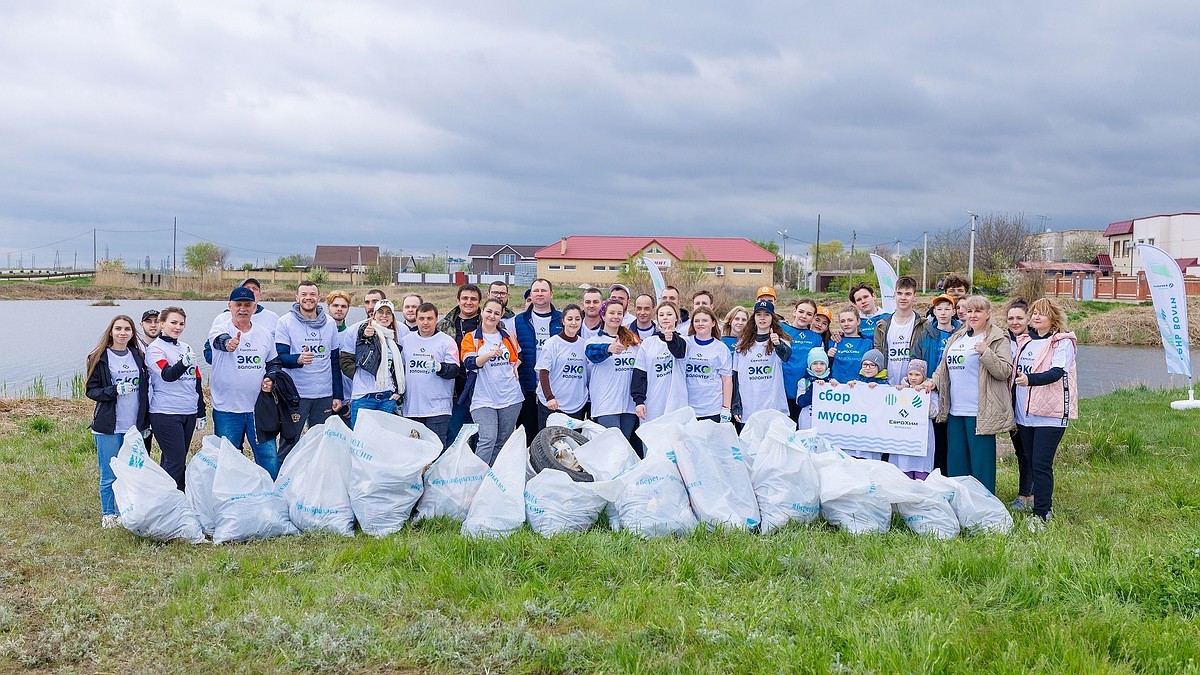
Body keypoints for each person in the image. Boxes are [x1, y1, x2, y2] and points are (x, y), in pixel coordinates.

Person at [927, 295, 1014, 495]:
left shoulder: (997, 338)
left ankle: (985, 506)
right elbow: (943, 368)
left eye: (978, 311)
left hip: (980, 411)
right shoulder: (957, 337)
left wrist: (986, 352)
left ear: (988, 314)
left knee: (981, 465)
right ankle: (962, 505)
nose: (973, 315)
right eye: (969, 311)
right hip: (955, 411)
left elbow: (1004, 371)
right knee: (957, 463)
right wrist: (932, 382)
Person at [1012, 298, 1077, 526]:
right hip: (1025, 413)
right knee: (1029, 460)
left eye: (1042, 314)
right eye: (1034, 313)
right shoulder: (1025, 342)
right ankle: (1034, 503)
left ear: (1053, 318)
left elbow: (1057, 372)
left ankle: (1042, 513)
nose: (1036, 317)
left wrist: (1030, 380)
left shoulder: (1062, 343)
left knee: (1041, 463)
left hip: (1050, 414)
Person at [209, 287, 282, 478]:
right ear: (229, 306)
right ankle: (229, 499)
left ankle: (273, 496)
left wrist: (270, 379)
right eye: (238, 304)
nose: (242, 309)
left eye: (247, 305)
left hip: (258, 408)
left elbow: (274, 363)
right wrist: (228, 344)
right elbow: (219, 341)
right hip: (227, 408)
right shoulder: (220, 327)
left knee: (268, 457)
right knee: (228, 459)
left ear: (254, 307)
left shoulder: (265, 334)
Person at [85, 315, 151, 527]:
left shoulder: (138, 355)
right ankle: (108, 514)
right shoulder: (99, 357)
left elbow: (146, 390)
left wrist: (146, 422)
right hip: (108, 427)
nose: (123, 333)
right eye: (118, 329)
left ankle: (127, 511)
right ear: (111, 332)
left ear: (133, 333)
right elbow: (91, 391)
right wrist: (113, 390)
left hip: (134, 426)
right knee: (109, 472)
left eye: (127, 329)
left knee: (133, 472)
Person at [274, 281, 343, 461]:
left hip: (324, 394)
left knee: (320, 442)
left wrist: (338, 395)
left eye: (312, 294)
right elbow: (279, 357)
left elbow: (334, 361)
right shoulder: (285, 322)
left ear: (318, 297)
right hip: (296, 394)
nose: (308, 298)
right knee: (290, 441)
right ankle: (282, 481)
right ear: (297, 298)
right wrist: (297, 359)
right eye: (304, 294)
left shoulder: (329, 323)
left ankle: (314, 482)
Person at [146, 306, 205, 491]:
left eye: (181, 324)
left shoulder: (186, 347)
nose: (177, 327)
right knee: (176, 460)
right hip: (166, 412)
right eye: (173, 323)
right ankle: (167, 501)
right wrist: (183, 362)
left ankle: (178, 499)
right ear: (162, 324)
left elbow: (196, 380)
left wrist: (201, 411)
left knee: (177, 459)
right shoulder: (155, 349)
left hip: (188, 410)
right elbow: (168, 375)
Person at [459, 298, 524, 465]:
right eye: (489, 311)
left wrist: (516, 364)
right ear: (482, 312)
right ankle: (477, 478)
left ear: (501, 315)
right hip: (483, 398)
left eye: (497, 313)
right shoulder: (471, 338)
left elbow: (518, 355)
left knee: (502, 441)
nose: (492, 316)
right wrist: (488, 355)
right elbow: (469, 363)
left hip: (510, 396)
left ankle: (493, 480)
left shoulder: (508, 336)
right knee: (487, 438)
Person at [911, 294, 960, 474]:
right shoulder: (925, 335)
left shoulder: (961, 334)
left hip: (954, 391)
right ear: (934, 311)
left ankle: (950, 474)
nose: (943, 312)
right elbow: (914, 360)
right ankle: (934, 473)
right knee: (935, 435)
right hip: (929, 391)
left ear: (954, 311)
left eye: (947, 308)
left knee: (952, 437)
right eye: (939, 309)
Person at [401, 302, 461, 446]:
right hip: (412, 408)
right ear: (416, 319)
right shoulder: (406, 341)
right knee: (414, 449)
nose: (425, 323)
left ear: (436, 319)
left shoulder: (446, 341)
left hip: (438, 409)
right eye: (421, 319)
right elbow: (399, 370)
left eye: (429, 318)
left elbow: (455, 370)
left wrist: (441, 368)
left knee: (436, 448)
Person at [585, 300, 642, 447]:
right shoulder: (594, 340)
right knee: (612, 447)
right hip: (606, 406)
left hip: (628, 405)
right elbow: (591, 353)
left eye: (619, 313)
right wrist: (608, 349)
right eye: (611, 313)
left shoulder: (632, 341)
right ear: (603, 315)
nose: (615, 316)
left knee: (624, 447)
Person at [513, 278, 563, 443]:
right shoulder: (518, 321)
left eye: (543, 290)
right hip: (527, 387)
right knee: (527, 436)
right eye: (536, 290)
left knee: (552, 438)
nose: (540, 294)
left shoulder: (562, 320)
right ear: (531, 295)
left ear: (551, 294)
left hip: (554, 389)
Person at [731, 300, 792, 422]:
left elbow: (786, 356)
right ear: (754, 318)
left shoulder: (781, 341)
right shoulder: (742, 344)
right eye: (759, 314)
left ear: (772, 318)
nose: (762, 318)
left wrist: (777, 344)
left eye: (767, 314)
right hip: (749, 408)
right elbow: (736, 375)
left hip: (773, 407)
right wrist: (736, 405)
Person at [349, 300, 406, 427]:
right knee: (361, 439)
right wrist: (367, 334)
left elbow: (397, 369)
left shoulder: (393, 342)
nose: (384, 316)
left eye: (388, 313)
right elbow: (363, 335)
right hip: (364, 398)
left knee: (382, 442)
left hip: (387, 398)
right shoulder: (366, 332)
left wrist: (397, 392)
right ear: (374, 315)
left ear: (392, 318)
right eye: (380, 312)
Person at [438, 283, 483, 443]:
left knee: (482, 437)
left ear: (479, 302)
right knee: (456, 436)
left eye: (473, 299)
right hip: (455, 390)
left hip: (483, 390)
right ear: (458, 300)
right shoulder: (444, 326)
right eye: (465, 298)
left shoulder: (492, 324)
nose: (468, 302)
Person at [535, 304, 589, 427]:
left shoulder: (584, 344)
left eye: (577, 319)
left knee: (573, 444)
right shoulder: (552, 343)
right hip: (553, 404)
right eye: (570, 319)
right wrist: (549, 397)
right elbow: (543, 373)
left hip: (575, 406)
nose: (574, 323)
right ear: (563, 321)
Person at [632, 301, 687, 423]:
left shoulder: (684, 341)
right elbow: (640, 374)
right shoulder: (648, 343)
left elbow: (679, 352)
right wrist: (639, 401)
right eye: (661, 315)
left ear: (676, 318)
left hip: (676, 404)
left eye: (669, 314)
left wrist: (671, 339)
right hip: (653, 404)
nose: (665, 317)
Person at [682, 307, 733, 423]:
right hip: (688, 408)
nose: (700, 324)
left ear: (713, 323)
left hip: (712, 408)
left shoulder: (721, 348)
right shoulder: (685, 343)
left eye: (704, 320)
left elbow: (727, 380)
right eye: (696, 321)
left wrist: (726, 408)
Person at [871, 276, 925, 386]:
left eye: (908, 294)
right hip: (886, 386)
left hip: (914, 388)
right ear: (894, 294)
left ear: (915, 296)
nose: (903, 297)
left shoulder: (923, 325)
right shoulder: (882, 325)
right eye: (900, 293)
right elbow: (878, 356)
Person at [890, 359, 938, 479]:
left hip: (922, 436)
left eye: (917, 374)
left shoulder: (930, 391)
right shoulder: (900, 390)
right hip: (903, 435)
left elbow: (934, 413)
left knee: (921, 470)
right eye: (910, 374)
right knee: (903, 469)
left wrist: (923, 396)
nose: (913, 378)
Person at [781, 299, 826, 420]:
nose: (804, 316)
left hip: (803, 391)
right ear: (794, 312)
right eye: (801, 311)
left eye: (809, 314)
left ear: (813, 317)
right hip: (781, 388)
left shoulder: (816, 338)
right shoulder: (782, 330)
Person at [1005, 298, 1031, 504]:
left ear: (1028, 319)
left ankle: (1027, 495)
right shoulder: (1006, 341)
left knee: (1029, 451)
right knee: (1019, 449)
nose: (1015, 322)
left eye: (1019, 318)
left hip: (1030, 403)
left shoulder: (1035, 340)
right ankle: (1027, 492)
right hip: (1011, 403)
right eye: (1011, 318)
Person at [328, 290, 355, 422]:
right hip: (325, 395)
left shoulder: (352, 334)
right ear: (328, 307)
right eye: (335, 305)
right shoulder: (322, 334)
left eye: (343, 306)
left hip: (348, 397)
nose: (339, 309)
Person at [827, 306, 872, 383]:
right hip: (837, 388)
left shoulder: (867, 343)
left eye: (850, 320)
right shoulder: (834, 341)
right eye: (842, 321)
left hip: (859, 387)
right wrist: (828, 357)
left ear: (858, 321)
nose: (846, 324)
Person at [794, 347, 831, 430]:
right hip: (807, 422)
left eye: (822, 363)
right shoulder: (804, 382)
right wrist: (814, 387)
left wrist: (834, 385)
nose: (818, 367)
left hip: (824, 422)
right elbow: (801, 402)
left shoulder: (830, 382)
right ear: (810, 365)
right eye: (815, 363)